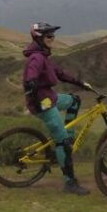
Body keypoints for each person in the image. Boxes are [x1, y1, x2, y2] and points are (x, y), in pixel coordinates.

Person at [23, 22, 93, 195]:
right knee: (61, 142)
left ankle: (67, 137)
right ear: (39, 38)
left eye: (53, 36)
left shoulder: (43, 56)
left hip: (50, 98)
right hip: (43, 103)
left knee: (74, 100)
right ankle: (69, 183)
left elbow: (61, 74)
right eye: (49, 36)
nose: (52, 39)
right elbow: (30, 78)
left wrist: (81, 83)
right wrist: (33, 99)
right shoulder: (37, 58)